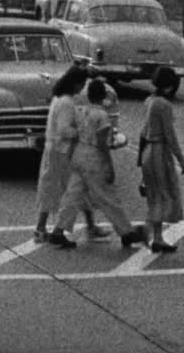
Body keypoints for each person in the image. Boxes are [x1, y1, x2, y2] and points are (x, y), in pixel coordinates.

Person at [53, 80, 147, 249]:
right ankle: (126, 232)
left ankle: (59, 230)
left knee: (72, 195)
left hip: (78, 153)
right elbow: (103, 144)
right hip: (93, 156)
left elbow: (73, 134)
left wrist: (70, 155)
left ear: (88, 95)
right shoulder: (102, 116)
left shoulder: (79, 111)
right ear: (103, 96)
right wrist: (109, 166)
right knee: (108, 197)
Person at [33, 64, 89, 245]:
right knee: (72, 193)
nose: (82, 88)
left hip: (52, 149)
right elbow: (65, 129)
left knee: (49, 189)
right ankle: (60, 230)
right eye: (81, 84)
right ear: (75, 84)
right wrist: (80, 132)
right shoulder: (66, 103)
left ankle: (40, 228)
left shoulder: (57, 99)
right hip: (63, 151)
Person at [137, 67, 184, 253]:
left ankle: (158, 238)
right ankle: (147, 230)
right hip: (159, 151)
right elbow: (170, 135)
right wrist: (181, 160)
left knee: (154, 196)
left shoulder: (149, 100)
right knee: (164, 195)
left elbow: (143, 132)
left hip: (147, 151)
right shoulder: (164, 105)